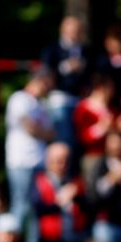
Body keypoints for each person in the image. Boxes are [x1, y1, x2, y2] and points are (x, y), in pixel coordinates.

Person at [3, 69, 55, 228]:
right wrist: (42, 133)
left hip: (39, 160)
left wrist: (42, 133)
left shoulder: (42, 104)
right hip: (21, 160)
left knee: (36, 207)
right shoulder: (19, 99)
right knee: (20, 204)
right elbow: (31, 129)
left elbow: (50, 133)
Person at [41, 15, 89, 147]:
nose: (75, 33)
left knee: (77, 141)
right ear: (63, 30)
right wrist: (66, 67)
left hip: (80, 100)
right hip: (60, 100)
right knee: (65, 139)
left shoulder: (85, 51)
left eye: (78, 30)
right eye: (72, 30)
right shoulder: (52, 50)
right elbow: (46, 73)